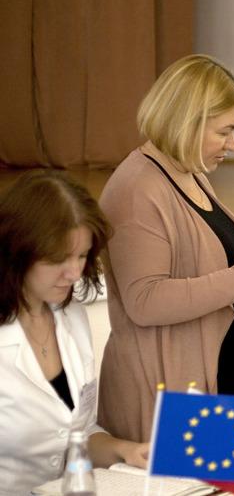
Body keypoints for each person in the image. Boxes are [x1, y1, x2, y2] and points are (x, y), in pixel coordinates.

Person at [97, 54, 234, 443]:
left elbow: (208, 283)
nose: (233, 144)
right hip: (172, 392)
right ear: (186, 122)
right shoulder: (137, 189)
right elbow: (145, 301)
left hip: (223, 380)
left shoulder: (191, 175)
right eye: (224, 131)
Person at [0, 172, 149, 495]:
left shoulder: (71, 316)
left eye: (81, 256)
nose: (74, 273)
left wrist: (125, 450)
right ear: (17, 250)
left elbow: (76, 434)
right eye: (58, 259)